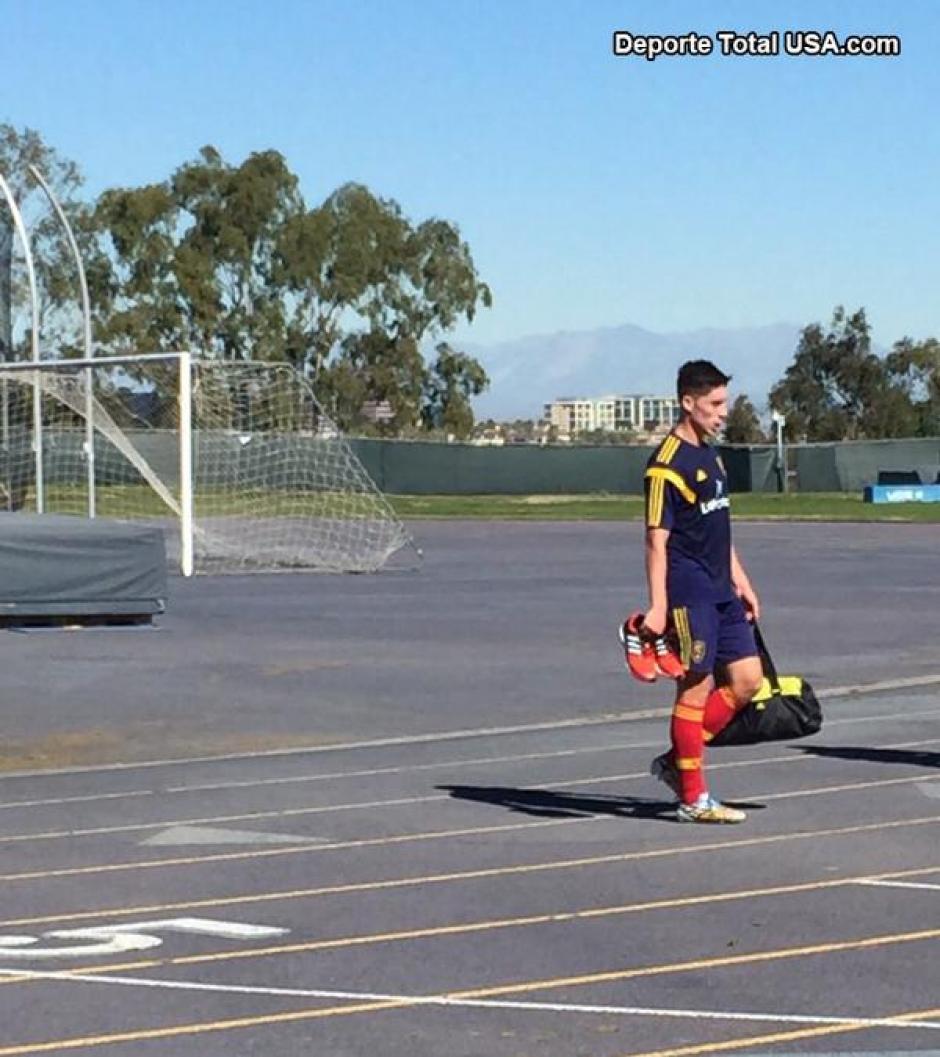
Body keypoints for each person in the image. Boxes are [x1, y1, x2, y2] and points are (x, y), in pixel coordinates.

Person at [643, 360, 764, 823]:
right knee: (695, 688)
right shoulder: (664, 466)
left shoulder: (711, 456)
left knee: (748, 680)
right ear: (687, 402)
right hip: (688, 592)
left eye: (724, 403)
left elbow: (719, 528)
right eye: (714, 404)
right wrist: (658, 607)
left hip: (722, 589)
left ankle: (678, 761)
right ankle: (693, 798)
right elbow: (656, 539)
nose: (721, 412)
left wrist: (742, 578)